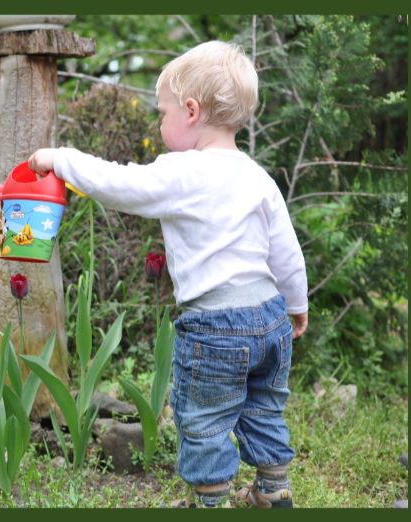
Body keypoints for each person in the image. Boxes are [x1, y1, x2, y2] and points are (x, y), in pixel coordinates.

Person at [28, 40, 308, 508]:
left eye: (163, 113)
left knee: (204, 418)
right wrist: (296, 305)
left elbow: (119, 185)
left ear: (192, 112)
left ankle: (210, 502)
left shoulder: (183, 172)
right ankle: (272, 487)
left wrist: (60, 160)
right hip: (270, 316)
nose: (160, 124)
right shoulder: (258, 177)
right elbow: (287, 253)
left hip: (216, 326)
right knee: (263, 407)